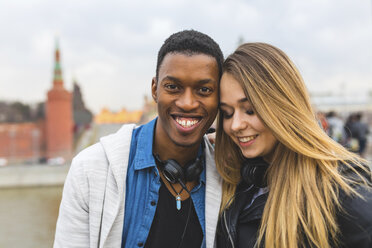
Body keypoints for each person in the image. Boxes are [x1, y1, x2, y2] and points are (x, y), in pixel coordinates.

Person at [54, 30, 224, 248]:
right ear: (154, 89)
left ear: (219, 97)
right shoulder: (90, 171)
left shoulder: (228, 171)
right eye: (173, 87)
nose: (187, 103)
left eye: (204, 89)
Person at [215, 43, 372, 248]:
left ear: (283, 106)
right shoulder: (239, 179)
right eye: (227, 113)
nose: (235, 125)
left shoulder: (344, 196)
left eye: (250, 110)